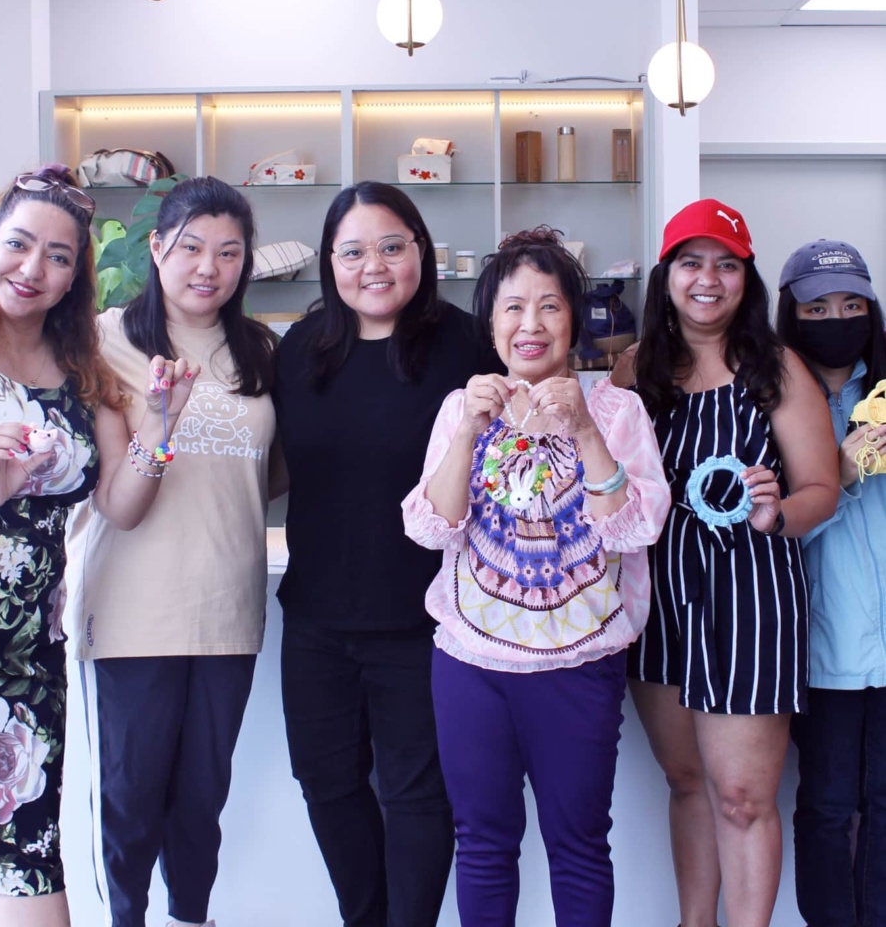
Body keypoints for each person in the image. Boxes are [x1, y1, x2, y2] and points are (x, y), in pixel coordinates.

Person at [0, 165, 198, 927]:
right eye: (18, 244)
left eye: (58, 256)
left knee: (29, 867)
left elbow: (122, 506)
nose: (32, 268)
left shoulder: (79, 374)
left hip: (28, 661)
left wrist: (160, 428)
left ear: (74, 279)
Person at [402, 226, 671, 927]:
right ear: (491, 324)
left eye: (549, 306)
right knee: (482, 843)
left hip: (580, 664)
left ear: (574, 321)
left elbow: (638, 527)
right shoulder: (462, 409)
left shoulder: (617, 409)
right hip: (470, 662)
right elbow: (431, 527)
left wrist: (583, 429)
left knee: (578, 844)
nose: (531, 324)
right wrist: (469, 432)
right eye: (513, 307)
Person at [273, 181, 497, 927]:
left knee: (417, 795)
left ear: (421, 251)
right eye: (353, 252)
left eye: (392, 246)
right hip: (316, 618)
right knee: (326, 781)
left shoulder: (469, 345)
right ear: (330, 262)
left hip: (427, 619)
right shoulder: (300, 350)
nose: (374, 266)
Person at [615, 199, 840, 927]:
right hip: (660, 594)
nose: (707, 279)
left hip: (753, 595)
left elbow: (822, 490)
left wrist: (778, 514)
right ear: (667, 275)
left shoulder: (776, 368)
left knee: (743, 797)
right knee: (686, 781)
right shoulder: (634, 369)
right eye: (691, 262)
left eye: (726, 264)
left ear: (747, 278)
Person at [64, 176, 280, 927]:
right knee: (130, 799)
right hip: (134, 610)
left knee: (201, 799)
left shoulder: (260, 351)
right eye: (191, 247)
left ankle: (192, 918)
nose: (208, 268)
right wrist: (160, 421)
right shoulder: (102, 342)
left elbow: (274, 472)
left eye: (229, 252)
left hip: (229, 608)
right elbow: (116, 505)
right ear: (156, 248)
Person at [776, 240, 886, 927]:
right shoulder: (770, 402)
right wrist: (837, 478)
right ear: (790, 315)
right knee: (826, 807)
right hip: (821, 652)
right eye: (816, 308)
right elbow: (770, 534)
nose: (836, 320)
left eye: (851, 305)